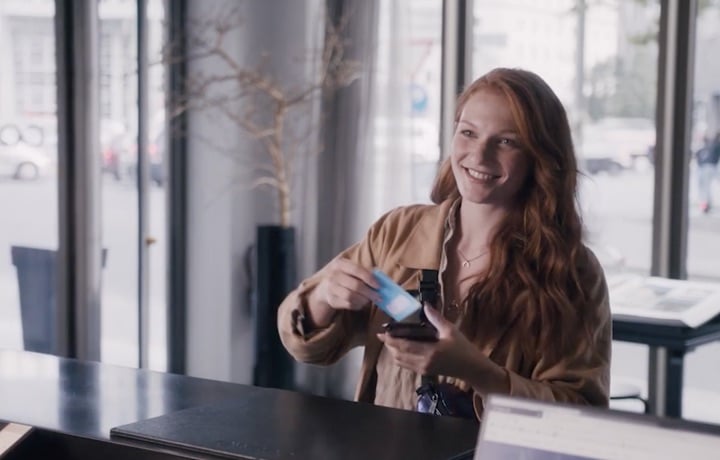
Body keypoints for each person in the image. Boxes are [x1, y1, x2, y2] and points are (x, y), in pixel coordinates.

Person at [277, 67, 611, 421]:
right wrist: (324, 298)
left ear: (540, 157)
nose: (479, 156)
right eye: (468, 133)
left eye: (506, 141)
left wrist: (478, 372)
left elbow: (581, 414)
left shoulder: (572, 271)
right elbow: (305, 346)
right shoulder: (397, 230)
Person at [695, 134, 720, 213]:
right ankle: (705, 204)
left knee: (704, 188)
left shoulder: (708, 146)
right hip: (709, 167)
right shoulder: (715, 146)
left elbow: (698, 156)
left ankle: (705, 204)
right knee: (705, 188)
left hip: (705, 167)